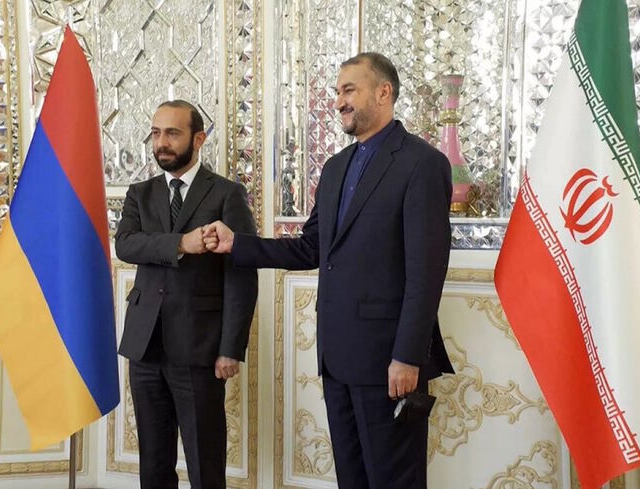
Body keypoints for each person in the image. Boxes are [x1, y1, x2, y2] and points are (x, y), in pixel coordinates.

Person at [204, 53, 453, 488]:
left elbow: (426, 272)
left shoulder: (422, 163)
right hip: (337, 359)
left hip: (388, 362)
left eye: (349, 90)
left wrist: (407, 356)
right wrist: (237, 244)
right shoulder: (337, 167)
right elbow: (310, 248)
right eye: (337, 92)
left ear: (383, 92)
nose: (339, 101)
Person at [115, 100, 258, 489]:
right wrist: (183, 243)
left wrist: (231, 347)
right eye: (156, 133)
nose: (161, 142)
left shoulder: (227, 194)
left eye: (172, 133)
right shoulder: (139, 194)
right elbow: (126, 245)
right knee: (154, 463)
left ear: (199, 139)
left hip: (200, 348)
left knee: (204, 461)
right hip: (145, 347)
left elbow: (242, 277)